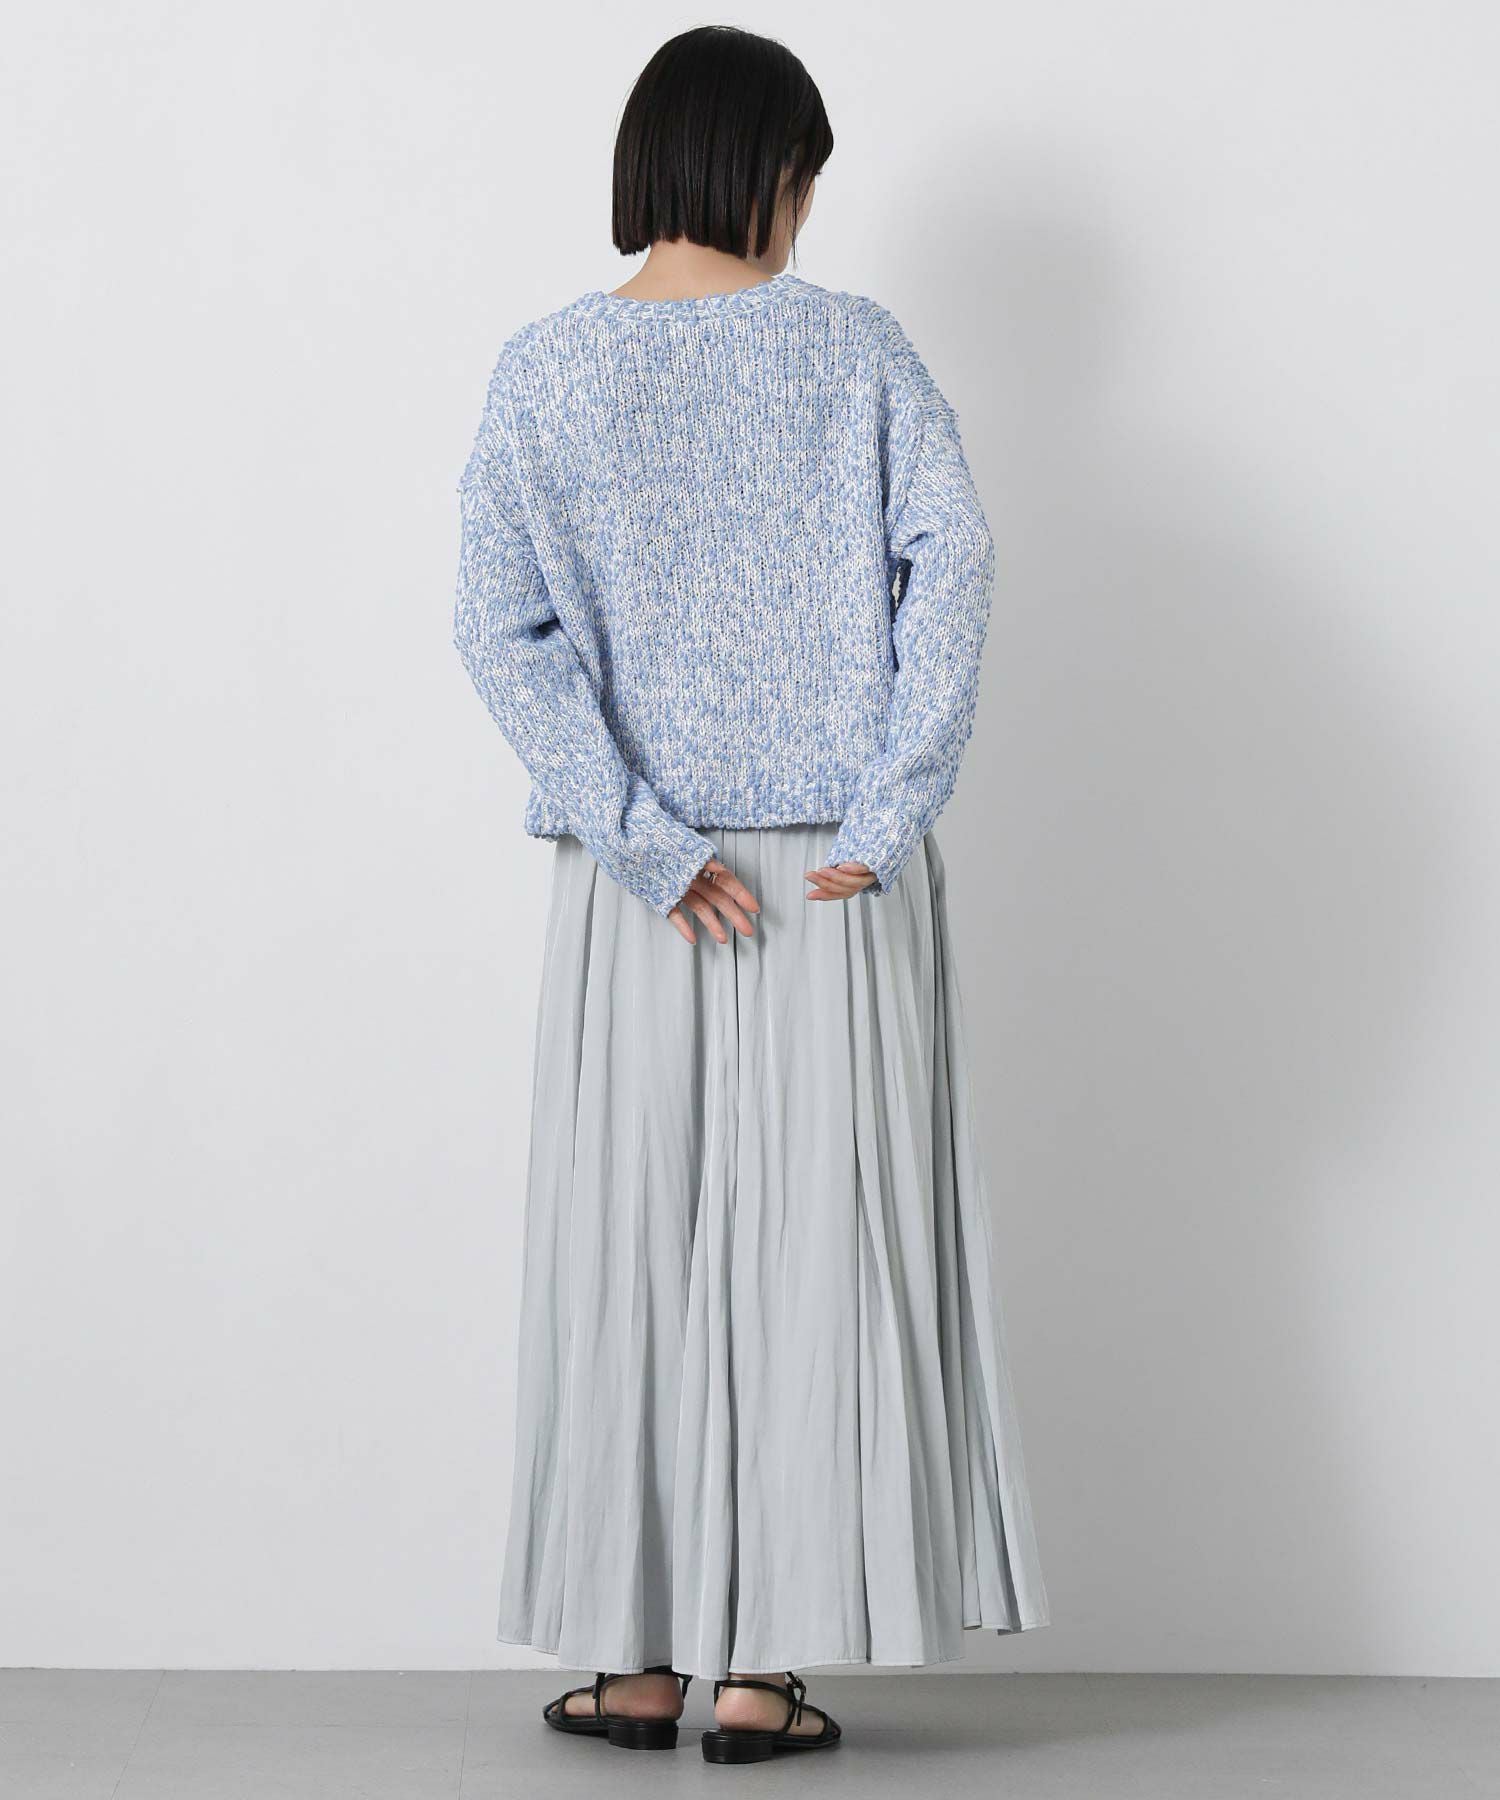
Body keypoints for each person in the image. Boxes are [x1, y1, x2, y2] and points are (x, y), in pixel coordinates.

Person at [453, 23, 1049, 1766]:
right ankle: (761, 1671)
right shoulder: (855, 349)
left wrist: (639, 834)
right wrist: (892, 803)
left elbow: (497, 627)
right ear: (774, 171)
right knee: (818, 1261)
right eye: (805, 178)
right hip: (832, 881)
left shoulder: (546, 368)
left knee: (629, 1249)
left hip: (639, 887)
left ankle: (635, 1661)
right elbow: (957, 562)